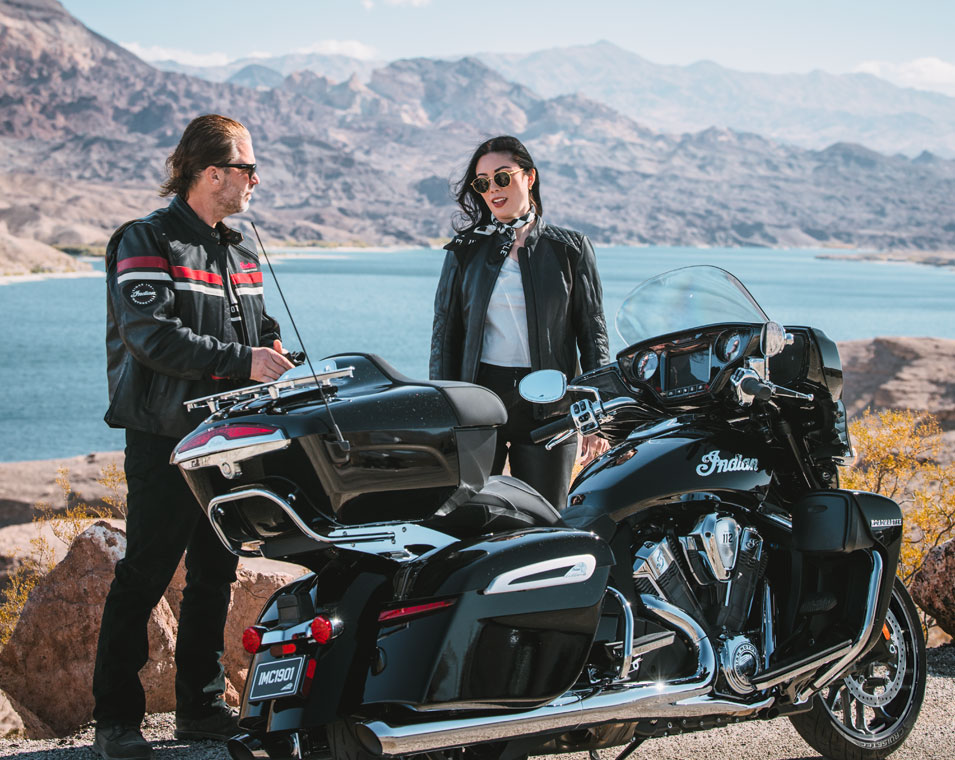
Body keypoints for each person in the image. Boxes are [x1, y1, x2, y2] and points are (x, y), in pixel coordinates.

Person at [93, 114, 294, 760]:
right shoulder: (145, 240)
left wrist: (271, 351)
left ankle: (201, 710)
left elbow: (256, 331)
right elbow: (150, 337)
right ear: (212, 174)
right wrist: (244, 361)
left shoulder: (241, 250)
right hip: (165, 438)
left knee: (215, 572)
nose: (255, 180)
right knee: (146, 572)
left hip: (230, 438)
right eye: (248, 169)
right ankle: (115, 720)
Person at [430, 135, 610, 510]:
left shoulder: (570, 248)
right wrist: (443, 411)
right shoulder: (465, 251)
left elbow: (593, 335)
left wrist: (599, 415)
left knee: (546, 518)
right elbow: (445, 336)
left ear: (529, 177)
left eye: (502, 177)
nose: (493, 190)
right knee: (471, 515)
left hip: (551, 406)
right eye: (482, 184)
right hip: (480, 403)